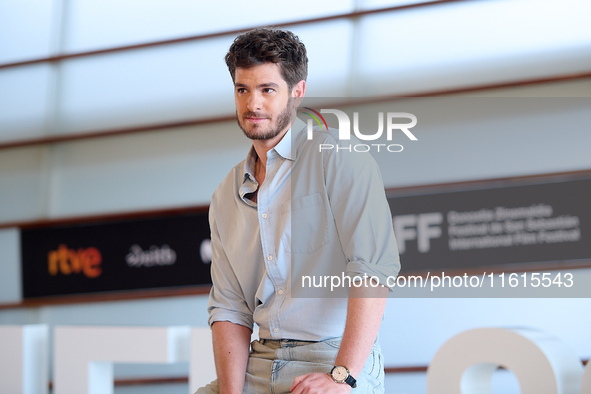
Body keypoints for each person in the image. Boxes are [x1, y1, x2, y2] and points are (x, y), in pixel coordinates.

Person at [197, 28, 400, 394]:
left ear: (298, 91)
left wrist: (343, 377)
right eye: (242, 90)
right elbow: (229, 307)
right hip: (261, 359)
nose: (252, 104)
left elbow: (373, 270)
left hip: (333, 356)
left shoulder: (340, 160)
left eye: (267, 89)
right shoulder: (225, 193)